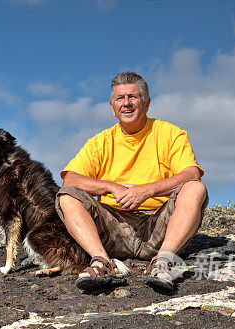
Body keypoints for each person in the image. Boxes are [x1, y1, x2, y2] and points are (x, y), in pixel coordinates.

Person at [56, 71, 208, 291]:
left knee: (195, 188)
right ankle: (101, 261)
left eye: (133, 97)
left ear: (146, 104)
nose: (126, 103)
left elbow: (192, 174)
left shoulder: (170, 133)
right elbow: (70, 179)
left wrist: (147, 190)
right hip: (113, 229)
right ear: (112, 107)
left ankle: (163, 261)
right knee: (68, 195)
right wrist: (111, 187)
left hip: (158, 227)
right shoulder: (99, 142)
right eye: (120, 98)